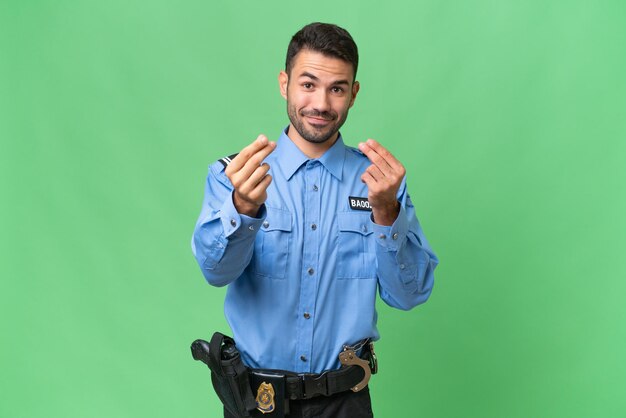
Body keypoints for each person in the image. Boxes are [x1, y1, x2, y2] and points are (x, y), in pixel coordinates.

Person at [192, 22, 438, 418]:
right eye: (308, 84)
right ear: (284, 83)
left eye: (337, 88)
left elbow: (408, 295)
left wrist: (387, 214)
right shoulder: (238, 175)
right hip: (256, 401)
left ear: (353, 94)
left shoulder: (380, 185)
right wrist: (243, 207)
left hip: (346, 401)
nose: (321, 103)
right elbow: (215, 271)